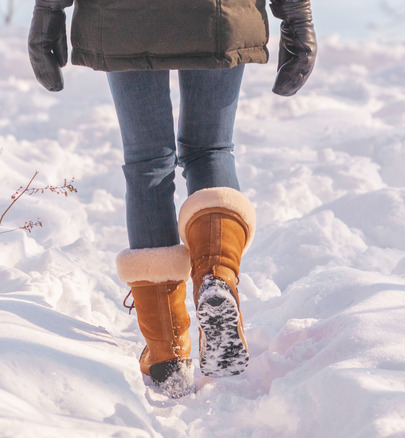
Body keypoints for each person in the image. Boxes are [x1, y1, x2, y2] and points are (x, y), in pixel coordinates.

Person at [28, 0, 317, 398]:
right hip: (218, 12)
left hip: (124, 16)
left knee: (148, 162)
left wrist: (48, 11)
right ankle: (217, 273)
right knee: (211, 150)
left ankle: (167, 352)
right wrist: (297, 14)